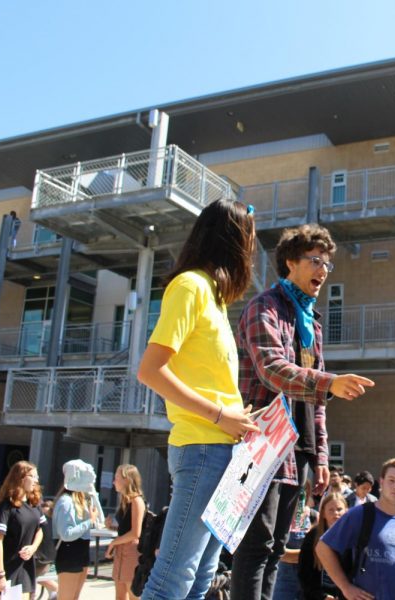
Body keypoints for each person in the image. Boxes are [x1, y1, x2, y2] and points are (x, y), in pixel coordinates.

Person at [232, 223, 375, 600]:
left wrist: (322, 455)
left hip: (297, 451)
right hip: (262, 443)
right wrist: (329, 382)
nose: (323, 271)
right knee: (255, 547)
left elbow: (315, 402)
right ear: (289, 262)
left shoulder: (310, 321)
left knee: (277, 547)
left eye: (327, 265)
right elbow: (272, 369)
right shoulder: (264, 307)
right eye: (315, 261)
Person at [136, 198, 260, 600]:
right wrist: (222, 414)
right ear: (234, 240)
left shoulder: (215, 297)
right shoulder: (190, 286)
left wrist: (234, 414)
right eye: (250, 238)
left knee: (201, 578)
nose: (253, 248)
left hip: (221, 451)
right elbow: (150, 370)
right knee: (173, 579)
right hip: (202, 449)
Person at [316, 457, 395, 600]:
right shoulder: (360, 514)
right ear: (381, 482)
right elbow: (323, 548)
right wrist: (346, 588)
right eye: (391, 480)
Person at [0, 460, 46, 600]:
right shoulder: (5, 506)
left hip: (24, 565)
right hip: (5, 566)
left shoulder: (34, 503)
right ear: (21, 478)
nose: (36, 480)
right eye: (33, 476)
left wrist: (33, 548)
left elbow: (39, 530)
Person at [53, 460, 102, 600]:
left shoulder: (82, 501)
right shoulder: (66, 502)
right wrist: (89, 521)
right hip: (69, 551)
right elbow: (66, 533)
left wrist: (94, 495)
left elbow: (100, 519)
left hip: (81, 551)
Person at [105, 464, 146, 600]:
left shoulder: (136, 501)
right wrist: (112, 527)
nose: (114, 481)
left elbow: (136, 533)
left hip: (131, 552)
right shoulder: (125, 500)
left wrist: (113, 543)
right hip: (122, 551)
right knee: (120, 595)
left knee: (133, 594)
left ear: (127, 479)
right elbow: (127, 529)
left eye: (117, 477)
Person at [298, 492, 348, 600]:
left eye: (339, 509)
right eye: (331, 510)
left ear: (346, 511)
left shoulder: (352, 535)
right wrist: (322, 596)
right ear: (324, 513)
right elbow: (304, 573)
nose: (336, 513)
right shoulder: (314, 535)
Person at [35, 499, 58, 600]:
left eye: (47, 514)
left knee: (36, 577)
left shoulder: (53, 525)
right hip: (44, 557)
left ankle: (58, 590)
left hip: (47, 558)